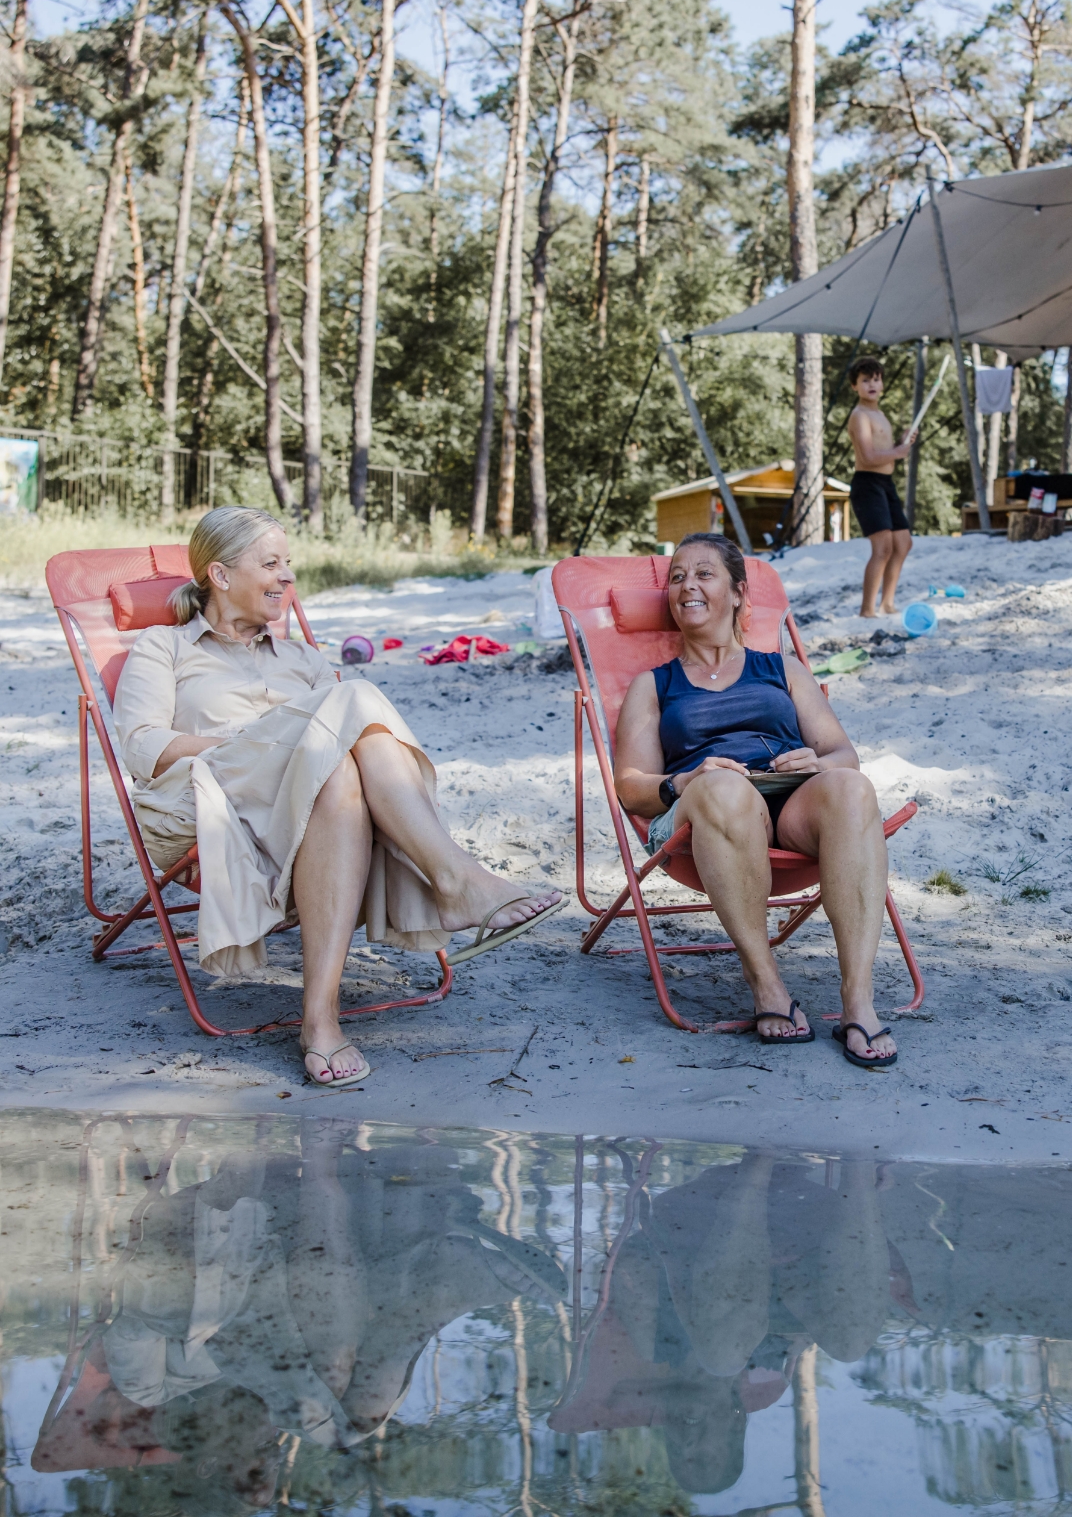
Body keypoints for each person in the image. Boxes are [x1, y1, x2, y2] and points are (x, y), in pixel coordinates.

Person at [111, 507, 568, 1089]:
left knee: (341, 773)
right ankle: (455, 879)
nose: (286, 578)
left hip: (301, 808)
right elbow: (145, 747)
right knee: (353, 700)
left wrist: (300, 748)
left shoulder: (301, 657)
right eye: (270, 564)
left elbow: (355, 749)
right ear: (220, 576)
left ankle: (320, 1021)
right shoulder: (163, 647)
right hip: (208, 801)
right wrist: (261, 741)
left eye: (288, 565)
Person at [610, 533, 902, 1066]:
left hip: (790, 803)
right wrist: (686, 778)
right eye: (677, 577)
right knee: (723, 787)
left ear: (739, 593)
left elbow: (842, 754)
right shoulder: (654, 686)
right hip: (706, 810)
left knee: (852, 789)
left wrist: (817, 764)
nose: (686, 585)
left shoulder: (782, 669)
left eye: (703, 573)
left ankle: (858, 998)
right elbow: (630, 784)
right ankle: (765, 982)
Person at [844, 356, 916, 620]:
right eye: (865, 380)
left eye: (876, 379)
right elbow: (869, 457)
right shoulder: (859, 416)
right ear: (855, 386)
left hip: (886, 484)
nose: (872, 384)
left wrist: (903, 440)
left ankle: (887, 603)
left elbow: (887, 450)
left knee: (903, 543)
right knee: (883, 548)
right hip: (867, 484)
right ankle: (867, 609)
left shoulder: (879, 414)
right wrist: (898, 452)